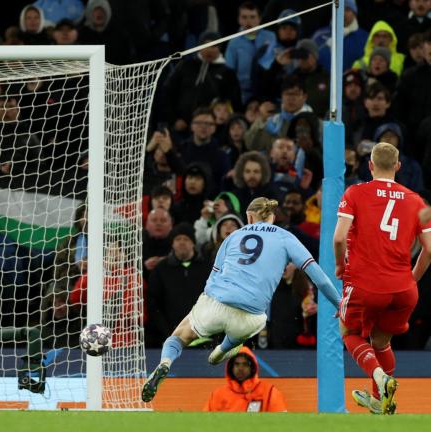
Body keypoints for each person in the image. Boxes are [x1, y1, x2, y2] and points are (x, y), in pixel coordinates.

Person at [141, 197, 341, 403]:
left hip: (216, 303)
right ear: (272, 217)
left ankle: (165, 363)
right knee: (247, 325)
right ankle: (223, 349)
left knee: (179, 337)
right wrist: (340, 304)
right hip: (252, 315)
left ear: (249, 217)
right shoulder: (286, 237)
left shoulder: (233, 236)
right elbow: (320, 278)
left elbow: (213, 276)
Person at [333, 142, 431, 415]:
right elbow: (430, 249)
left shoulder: (355, 193)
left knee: (349, 333)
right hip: (403, 289)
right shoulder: (416, 201)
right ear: (398, 167)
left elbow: (339, 237)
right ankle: (383, 403)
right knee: (381, 342)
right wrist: (412, 278)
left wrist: (340, 266)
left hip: (365, 283)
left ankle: (379, 377)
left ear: (370, 165)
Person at [203, 346, 287, 412]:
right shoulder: (218, 395)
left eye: (245, 364)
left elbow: (283, 423)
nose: (240, 368)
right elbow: (205, 424)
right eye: (237, 364)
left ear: (252, 367)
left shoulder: (269, 392)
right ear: (231, 367)